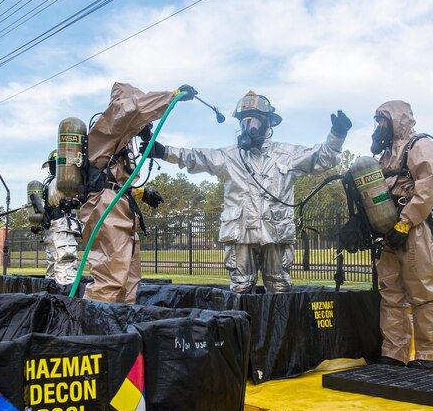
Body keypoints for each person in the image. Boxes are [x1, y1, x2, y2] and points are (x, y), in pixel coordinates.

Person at [149, 90, 351, 293]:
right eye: (244, 122)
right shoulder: (230, 156)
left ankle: (278, 326)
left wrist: (337, 135)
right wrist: (164, 152)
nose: (248, 128)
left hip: (276, 234)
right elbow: (195, 157)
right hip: (240, 233)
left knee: (279, 287)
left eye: (253, 121)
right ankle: (240, 324)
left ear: (267, 123)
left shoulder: (287, 155)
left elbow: (323, 158)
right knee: (241, 288)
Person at [76, 82, 184, 303]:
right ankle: (93, 333)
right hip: (106, 208)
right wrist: (169, 97)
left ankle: (123, 331)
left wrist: (142, 193)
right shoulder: (112, 119)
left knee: (129, 281)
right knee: (110, 278)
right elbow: (131, 110)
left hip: (120, 206)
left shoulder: (120, 143)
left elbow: (118, 181)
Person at [371, 100, 433, 372]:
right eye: (377, 121)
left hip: (415, 228)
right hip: (389, 229)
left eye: (383, 120)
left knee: (423, 290)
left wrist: (405, 223)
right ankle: (394, 352)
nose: (379, 126)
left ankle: (432, 354)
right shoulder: (385, 156)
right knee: (391, 293)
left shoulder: (421, 146)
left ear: (398, 120)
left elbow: (429, 188)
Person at [40, 149, 82, 285]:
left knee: (52, 267)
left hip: (51, 229)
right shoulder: (61, 184)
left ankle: (52, 298)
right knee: (66, 262)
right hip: (61, 228)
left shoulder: (48, 184)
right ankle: (65, 299)